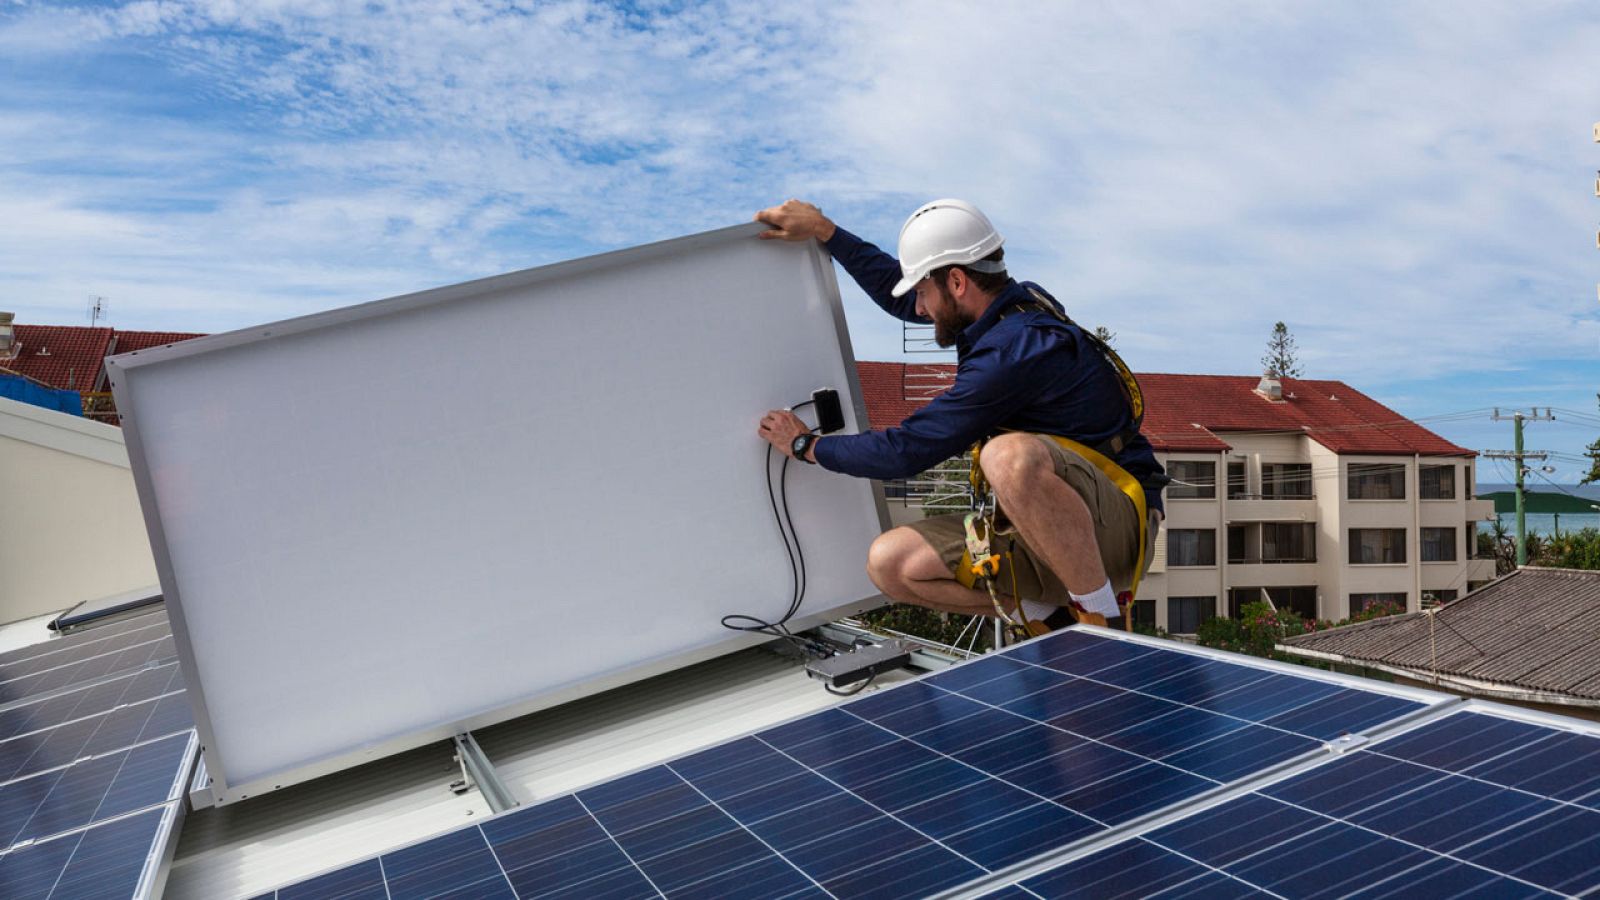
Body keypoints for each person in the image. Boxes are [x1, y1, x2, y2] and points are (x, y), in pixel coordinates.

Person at [754, 198, 1165, 631]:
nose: (917, 307)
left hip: (1117, 525)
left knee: (1006, 456)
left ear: (956, 281)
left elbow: (907, 451)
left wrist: (806, 446)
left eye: (922, 292)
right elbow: (902, 296)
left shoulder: (1015, 351)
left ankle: (1101, 621)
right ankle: (1050, 614)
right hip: (1047, 527)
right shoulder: (1002, 310)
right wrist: (827, 232)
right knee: (890, 564)